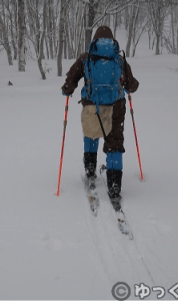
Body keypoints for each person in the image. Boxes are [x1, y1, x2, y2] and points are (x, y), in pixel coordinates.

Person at [61, 26, 139, 212]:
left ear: (94, 40)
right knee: (115, 143)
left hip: (91, 104)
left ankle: (90, 168)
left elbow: (71, 79)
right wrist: (128, 86)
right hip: (116, 107)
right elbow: (132, 86)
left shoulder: (85, 57)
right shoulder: (119, 60)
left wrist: (67, 90)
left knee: (91, 133)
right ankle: (114, 186)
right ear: (112, 41)